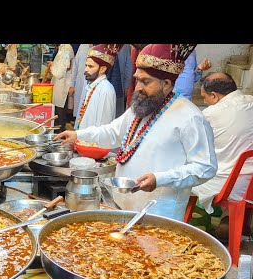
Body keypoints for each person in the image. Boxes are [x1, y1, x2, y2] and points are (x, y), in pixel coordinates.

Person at [55, 44, 218, 221]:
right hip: (123, 205)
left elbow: (205, 167)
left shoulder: (190, 117)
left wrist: (160, 179)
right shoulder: (140, 106)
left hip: (159, 213)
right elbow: (113, 132)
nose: (138, 87)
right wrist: (79, 135)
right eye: (137, 79)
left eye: (145, 81)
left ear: (166, 84)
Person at [192, 72, 253, 213]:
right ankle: (235, 225)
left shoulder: (210, 114)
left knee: (183, 177)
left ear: (214, 95)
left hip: (230, 186)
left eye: (204, 97)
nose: (205, 102)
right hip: (249, 186)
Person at [74, 44, 119, 130]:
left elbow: (103, 127)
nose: (86, 69)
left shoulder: (106, 90)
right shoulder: (92, 86)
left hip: (92, 143)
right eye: (86, 65)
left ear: (102, 69)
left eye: (90, 66)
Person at [48, 44, 74, 132]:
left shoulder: (67, 48)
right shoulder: (62, 47)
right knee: (57, 108)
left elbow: (66, 66)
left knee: (60, 110)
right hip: (57, 83)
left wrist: (53, 66)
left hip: (62, 83)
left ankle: (60, 132)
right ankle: (57, 131)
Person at [106, 44, 132, 117]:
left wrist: (126, 85)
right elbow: (128, 66)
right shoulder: (125, 46)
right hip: (119, 84)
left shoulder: (125, 46)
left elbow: (128, 66)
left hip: (114, 83)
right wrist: (126, 85)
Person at [70, 44, 93, 123]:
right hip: (79, 85)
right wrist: (72, 84)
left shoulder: (101, 47)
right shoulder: (82, 46)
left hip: (92, 86)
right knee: (79, 112)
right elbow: (75, 66)